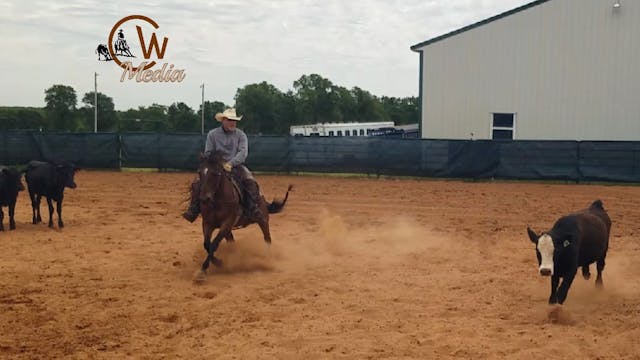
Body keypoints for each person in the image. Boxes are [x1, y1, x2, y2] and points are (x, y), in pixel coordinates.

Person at [182, 108, 265, 224]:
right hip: (215, 167)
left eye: (234, 120)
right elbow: (208, 152)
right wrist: (218, 164)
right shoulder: (212, 134)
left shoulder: (241, 135)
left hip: (236, 166)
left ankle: (252, 208)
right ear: (223, 120)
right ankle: (193, 209)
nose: (233, 123)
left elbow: (243, 153)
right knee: (197, 183)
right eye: (230, 120)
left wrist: (231, 163)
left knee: (250, 181)